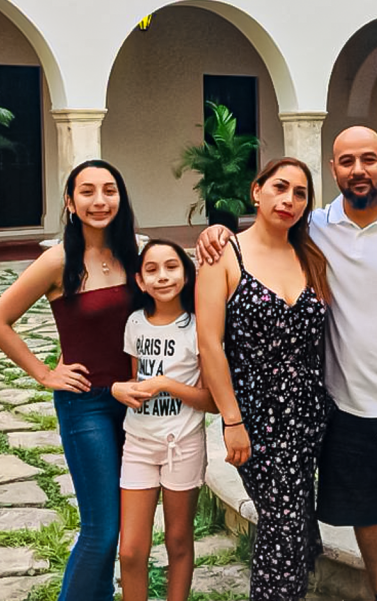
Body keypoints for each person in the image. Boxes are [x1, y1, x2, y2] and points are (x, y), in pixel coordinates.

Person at [197, 128, 377, 601]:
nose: (358, 170)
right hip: (345, 413)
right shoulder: (317, 229)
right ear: (334, 170)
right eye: (346, 161)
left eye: (368, 159)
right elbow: (258, 242)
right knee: (368, 516)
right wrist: (219, 230)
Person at [0, 159, 140, 601]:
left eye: (109, 190)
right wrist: (45, 373)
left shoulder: (135, 253)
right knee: (101, 529)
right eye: (87, 191)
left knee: (126, 525)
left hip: (134, 402)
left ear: (121, 198)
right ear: (70, 202)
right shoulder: (58, 260)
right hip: (85, 404)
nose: (100, 200)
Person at [197, 157, 332, 601]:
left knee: (296, 521)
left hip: (310, 414)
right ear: (256, 191)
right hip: (257, 417)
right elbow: (210, 344)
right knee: (282, 522)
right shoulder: (224, 255)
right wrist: (232, 421)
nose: (288, 199)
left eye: (300, 193)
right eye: (279, 187)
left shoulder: (310, 255)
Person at [110, 240, 217, 601]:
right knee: (131, 550)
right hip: (139, 443)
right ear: (140, 281)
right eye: (152, 270)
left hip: (182, 444)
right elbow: (134, 381)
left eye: (172, 267)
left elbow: (211, 401)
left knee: (178, 540)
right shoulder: (135, 323)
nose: (162, 277)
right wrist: (125, 391)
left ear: (187, 275)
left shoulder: (198, 328)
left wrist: (167, 384)